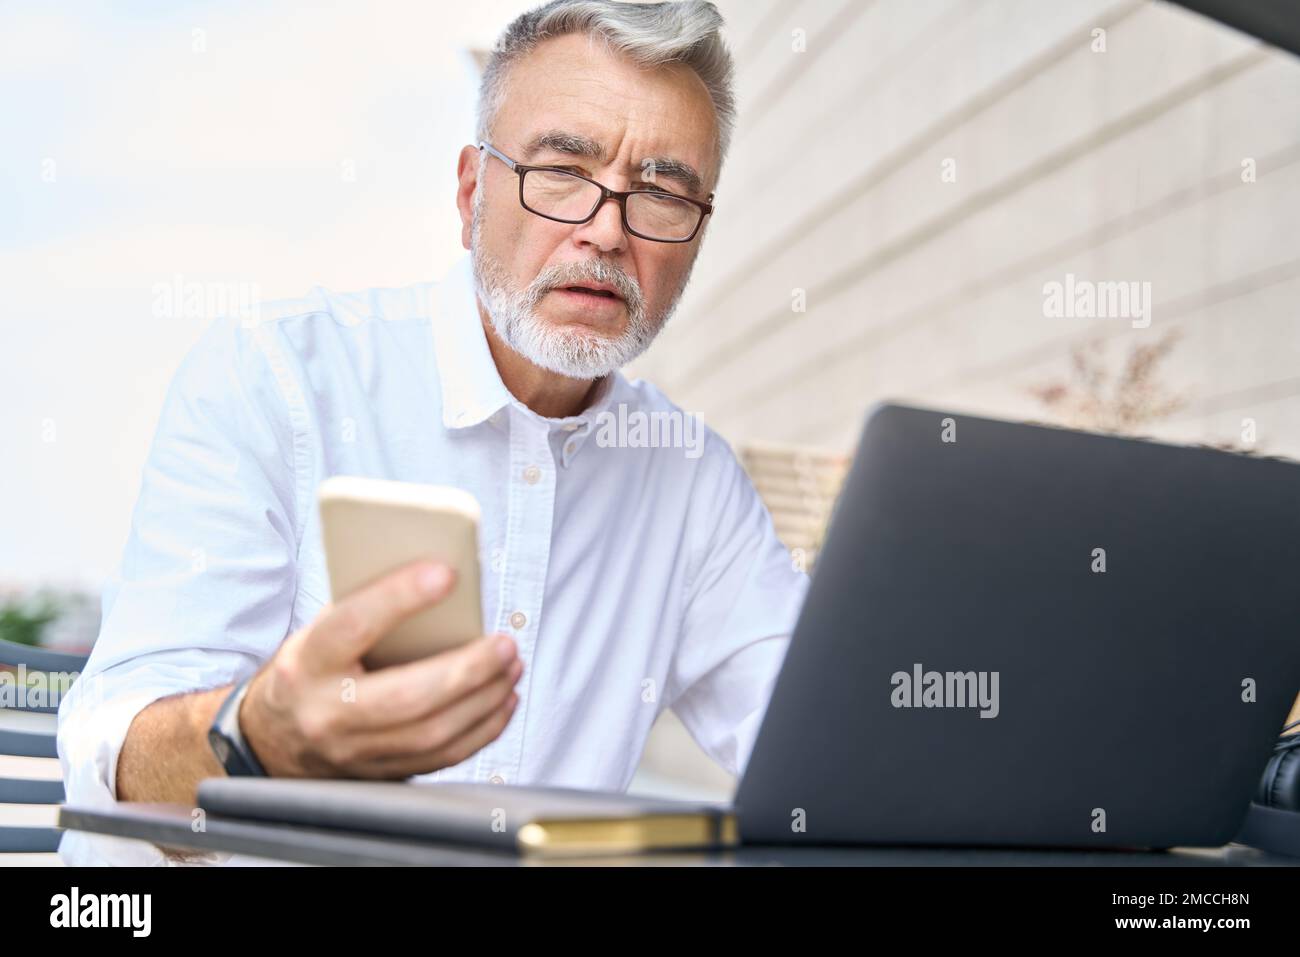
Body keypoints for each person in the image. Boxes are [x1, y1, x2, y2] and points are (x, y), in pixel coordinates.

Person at [57, 0, 808, 865]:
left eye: (663, 193)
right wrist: (256, 734)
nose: (607, 230)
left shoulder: (690, 479)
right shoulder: (274, 377)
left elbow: (817, 742)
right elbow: (108, 754)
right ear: (470, 193)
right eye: (562, 169)